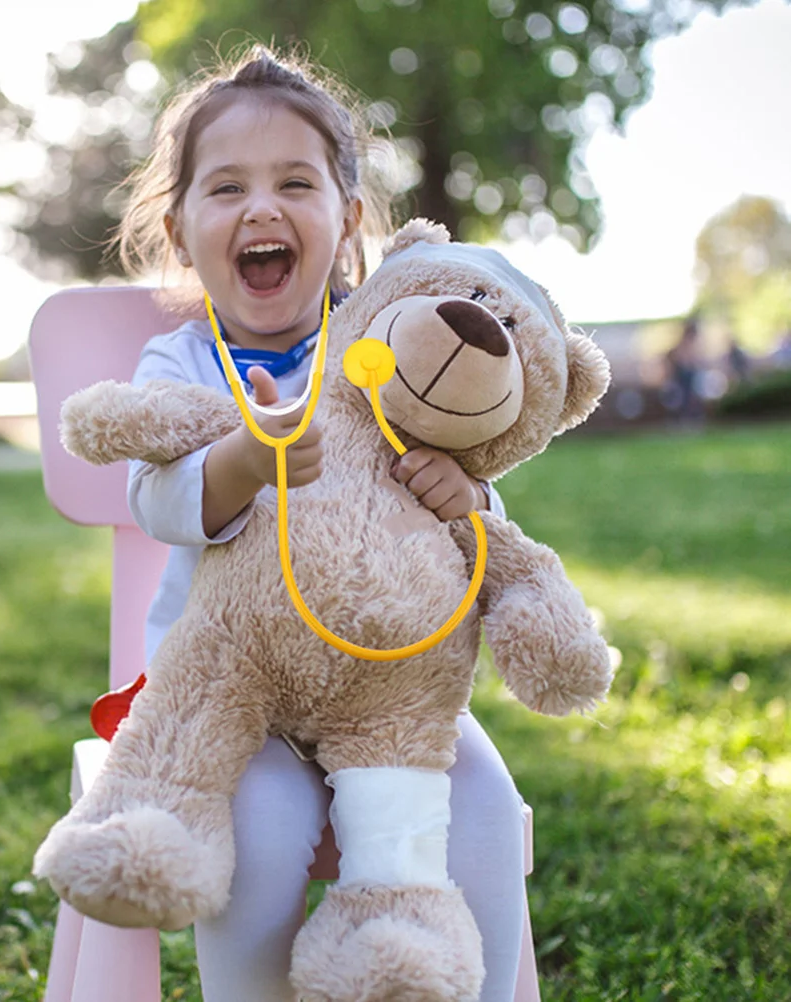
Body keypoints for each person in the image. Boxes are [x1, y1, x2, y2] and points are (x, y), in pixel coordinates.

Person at [114, 45, 526, 1002]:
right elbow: (156, 496)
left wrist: (465, 500)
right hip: (234, 700)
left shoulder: (398, 343)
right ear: (180, 231)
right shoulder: (177, 362)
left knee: (487, 809)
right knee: (254, 833)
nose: (262, 208)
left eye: (295, 183)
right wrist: (244, 460)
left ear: (346, 222)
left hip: (391, 696)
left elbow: (486, 516)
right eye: (228, 189)